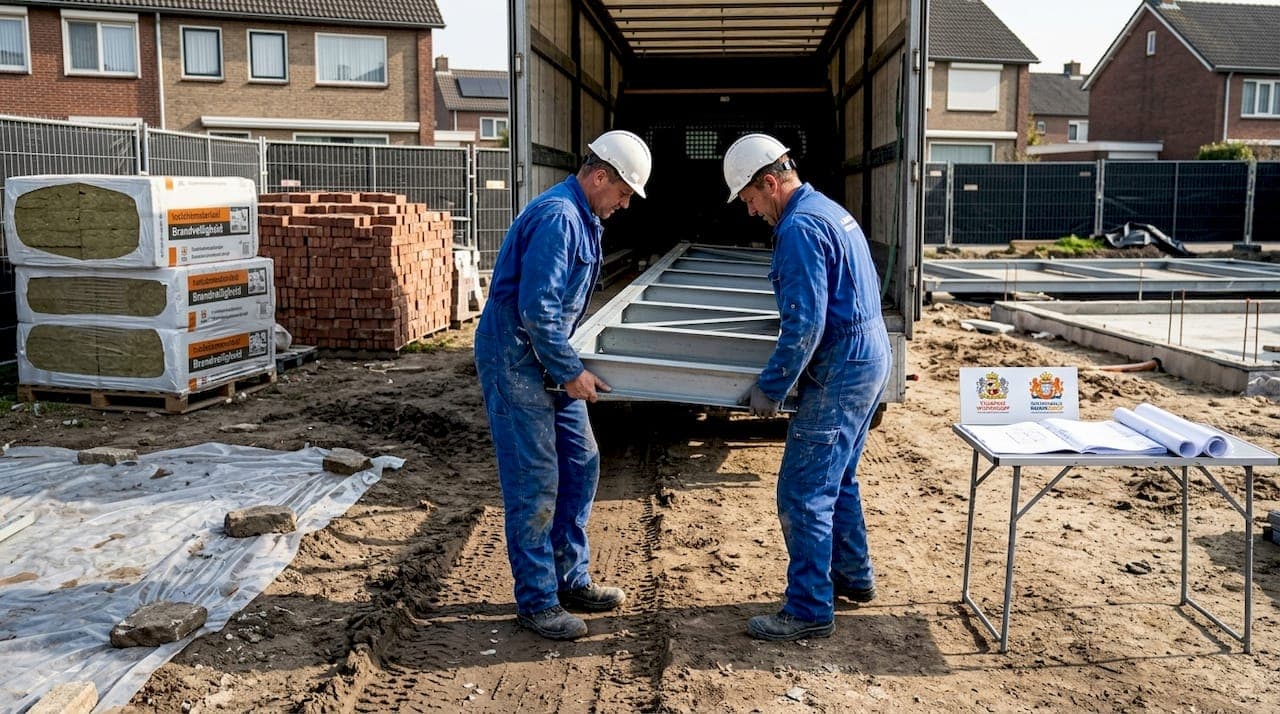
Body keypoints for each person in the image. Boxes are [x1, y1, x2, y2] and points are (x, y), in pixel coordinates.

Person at [473, 130, 652, 640]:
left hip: (546, 356)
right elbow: (538, 309)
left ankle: (570, 578)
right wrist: (572, 372)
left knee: (581, 462)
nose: (624, 204)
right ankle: (537, 601)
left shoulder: (584, 216)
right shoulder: (559, 217)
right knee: (534, 481)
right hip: (515, 357)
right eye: (623, 193)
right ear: (599, 177)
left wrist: (567, 364)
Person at [724, 133, 892, 642]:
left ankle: (808, 608)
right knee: (838, 478)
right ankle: (853, 576)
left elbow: (804, 325)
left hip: (841, 366)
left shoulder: (799, 228)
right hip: (868, 354)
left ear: (769, 183)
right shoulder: (829, 211)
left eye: (750, 199)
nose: (752, 211)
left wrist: (772, 386)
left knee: (803, 490)